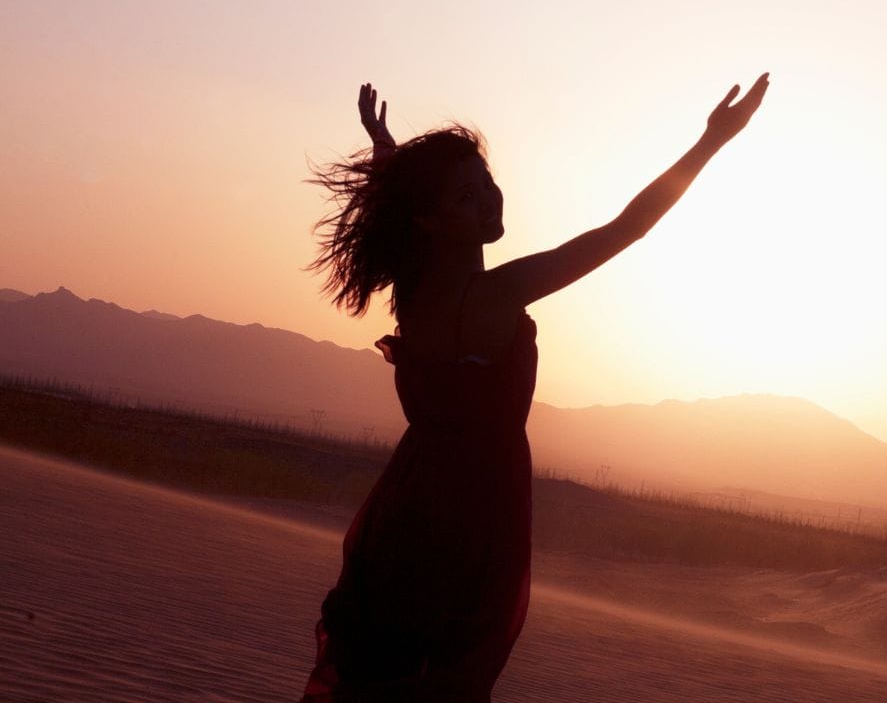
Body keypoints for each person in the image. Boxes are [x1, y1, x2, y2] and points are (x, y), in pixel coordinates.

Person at [300, 74, 769, 700]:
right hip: (471, 517)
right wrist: (711, 142)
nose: (490, 200)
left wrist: (387, 148)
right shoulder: (492, 297)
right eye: (466, 198)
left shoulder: (413, 291)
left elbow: (410, 212)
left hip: (407, 504)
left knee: (381, 670)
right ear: (433, 220)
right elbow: (625, 229)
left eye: (486, 183)